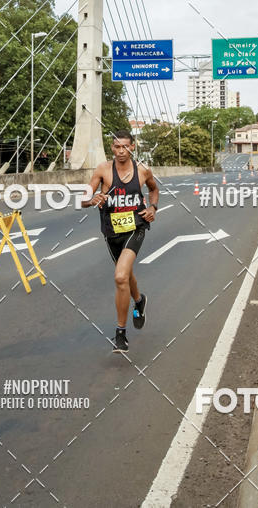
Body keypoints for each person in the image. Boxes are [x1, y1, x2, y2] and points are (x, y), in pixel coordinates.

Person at [82, 131, 159, 353]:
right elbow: (84, 198)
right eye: (117, 147)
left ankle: (120, 334)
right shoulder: (102, 170)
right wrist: (92, 199)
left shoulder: (143, 170)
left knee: (120, 276)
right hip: (111, 231)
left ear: (132, 147)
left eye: (125, 147)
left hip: (136, 226)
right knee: (125, 274)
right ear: (112, 148)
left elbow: (154, 190)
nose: (121, 151)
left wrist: (153, 208)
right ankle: (139, 300)